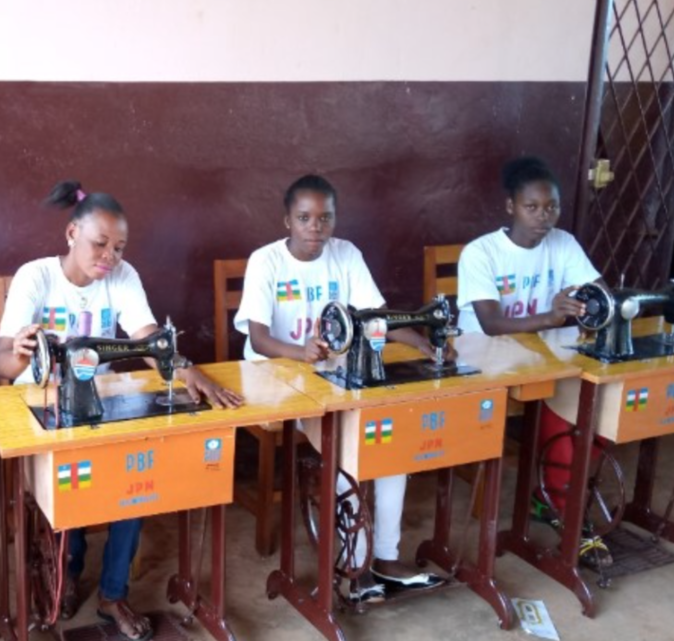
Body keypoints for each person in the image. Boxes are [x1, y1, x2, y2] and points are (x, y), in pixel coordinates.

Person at [0, 180, 242, 641]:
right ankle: (68, 572)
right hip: (40, 407)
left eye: (119, 247)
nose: (110, 256)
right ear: (72, 233)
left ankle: (113, 593)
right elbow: (1, 364)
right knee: (71, 487)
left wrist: (189, 372)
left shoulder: (123, 277)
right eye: (100, 243)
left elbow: (150, 341)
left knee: (135, 480)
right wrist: (21, 352)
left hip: (100, 405)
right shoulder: (35, 277)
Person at [234, 174, 450, 604]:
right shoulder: (266, 261)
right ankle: (355, 563)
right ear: (287, 220)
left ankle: (384, 557)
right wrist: (301, 352)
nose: (315, 227)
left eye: (325, 218)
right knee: (347, 445)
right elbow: (258, 338)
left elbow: (376, 316)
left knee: (391, 443)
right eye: (304, 218)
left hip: (332, 376)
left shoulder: (346, 254)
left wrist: (421, 342)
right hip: (277, 377)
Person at [456, 156, 610, 563]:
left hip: (543, 355)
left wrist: (590, 303)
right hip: (485, 358)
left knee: (598, 404)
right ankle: (561, 503)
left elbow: (601, 294)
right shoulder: (481, 252)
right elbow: (490, 324)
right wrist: (552, 316)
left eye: (552, 207)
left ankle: (555, 493)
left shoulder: (563, 243)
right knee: (565, 404)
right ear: (511, 206)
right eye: (532, 207)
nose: (544, 216)